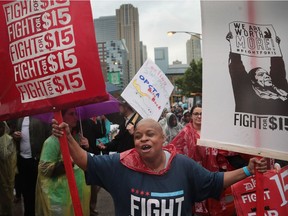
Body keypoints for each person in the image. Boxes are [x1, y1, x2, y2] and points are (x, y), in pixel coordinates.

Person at [51, 118, 267, 216]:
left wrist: (248, 170)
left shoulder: (182, 165)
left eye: (149, 134)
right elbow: (85, 160)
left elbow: (214, 181)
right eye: (137, 136)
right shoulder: (120, 164)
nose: (142, 139)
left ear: (163, 138)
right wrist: (68, 137)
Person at [170, 104, 249, 215]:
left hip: (212, 174)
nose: (199, 116)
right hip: (194, 175)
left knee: (213, 204)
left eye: (202, 114)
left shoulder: (213, 132)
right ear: (191, 116)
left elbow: (226, 149)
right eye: (196, 114)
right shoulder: (185, 132)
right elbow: (173, 150)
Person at [35, 108, 90, 216]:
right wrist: (65, 164)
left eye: (75, 114)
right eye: (71, 114)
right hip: (61, 198)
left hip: (77, 193)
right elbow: (44, 169)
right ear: (61, 117)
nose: (75, 117)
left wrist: (86, 148)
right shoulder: (51, 142)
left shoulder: (75, 138)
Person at [226, 32, 288, 116]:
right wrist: (233, 45)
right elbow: (236, 70)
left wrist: (271, 44)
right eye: (261, 74)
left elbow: (278, 70)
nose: (266, 76)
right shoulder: (245, 92)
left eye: (266, 74)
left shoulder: (280, 90)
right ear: (253, 81)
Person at [8, 116, 51, 216]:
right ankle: (29, 212)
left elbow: (49, 134)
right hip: (22, 160)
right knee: (26, 192)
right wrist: (14, 134)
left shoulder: (42, 116)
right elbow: (11, 130)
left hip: (37, 160)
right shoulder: (19, 117)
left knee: (39, 192)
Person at [0, 122, 17, 216]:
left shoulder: (9, 139)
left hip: (7, 173)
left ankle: (8, 212)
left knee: (7, 194)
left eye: (1, 127)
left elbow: (5, 156)